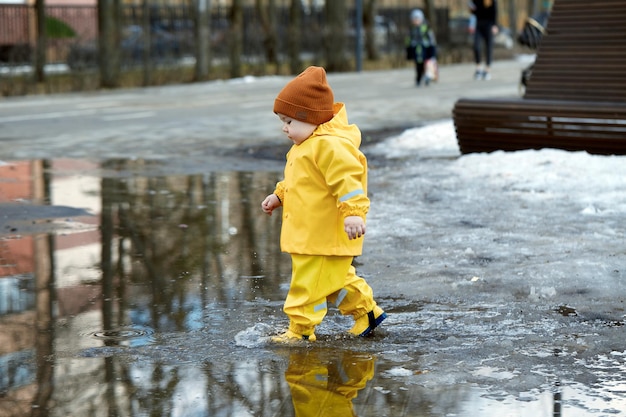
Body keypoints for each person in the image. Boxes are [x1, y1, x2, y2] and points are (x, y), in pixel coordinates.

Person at [261, 66, 387, 343]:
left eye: (290, 121)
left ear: (312, 119)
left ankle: (300, 331)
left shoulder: (329, 146)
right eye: (282, 120)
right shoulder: (303, 146)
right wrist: (280, 195)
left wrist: (354, 213)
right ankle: (367, 312)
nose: (284, 127)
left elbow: (349, 181)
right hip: (312, 234)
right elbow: (299, 181)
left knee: (307, 284)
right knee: (334, 281)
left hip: (322, 234)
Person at [405, 9, 437, 86]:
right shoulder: (411, 29)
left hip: (426, 48)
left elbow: (431, 38)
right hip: (416, 48)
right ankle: (418, 78)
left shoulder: (426, 27)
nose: (416, 21)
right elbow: (408, 39)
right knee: (418, 65)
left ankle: (427, 77)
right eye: (414, 19)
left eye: (417, 19)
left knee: (427, 63)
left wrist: (432, 48)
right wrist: (408, 49)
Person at [469, 0, 498, 80]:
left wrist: (495, 25)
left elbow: (495, 12)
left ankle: (487, 70)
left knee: (489, 47)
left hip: (489, 25)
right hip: (478, 25)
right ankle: (478, 69)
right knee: (476, 46)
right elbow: (473, 12)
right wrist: (471, 9)